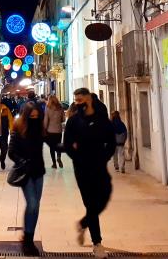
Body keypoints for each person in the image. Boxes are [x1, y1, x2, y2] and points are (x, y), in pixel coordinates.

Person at [64, 88, 116, 258]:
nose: (78, 103)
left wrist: (104, 157)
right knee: (91, 204)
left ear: (89, 99)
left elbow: (111, 142)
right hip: (82, 168)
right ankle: (97, 242)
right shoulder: (73, 121)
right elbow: (67, 144)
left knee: (104, 197)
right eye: (76, 101)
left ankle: (83, 223)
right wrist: (78, 158)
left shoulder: (102, 119)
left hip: (100, 166)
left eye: (81, 100)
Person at [8, 101, 45, 256]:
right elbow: (11, 152)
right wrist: (22, 161)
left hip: (39, 171)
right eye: (32, 117)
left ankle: (28, 237)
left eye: (37, 116)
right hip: (26, 172)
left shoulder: (40, 128)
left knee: (35, 207)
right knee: (32, 204)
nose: (34, 119)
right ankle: (28, 242)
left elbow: (52, 142)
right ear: (26, 116)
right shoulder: (18, 128)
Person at [43, 95, 65, 169]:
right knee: (58, 145)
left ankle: (54, 164)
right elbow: (63, 119)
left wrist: (44, 129)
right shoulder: (60, 107)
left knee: (52, 147)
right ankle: (58, 157)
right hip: (58, 130)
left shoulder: (47, 108)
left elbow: (46, 120)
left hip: (50, 130)